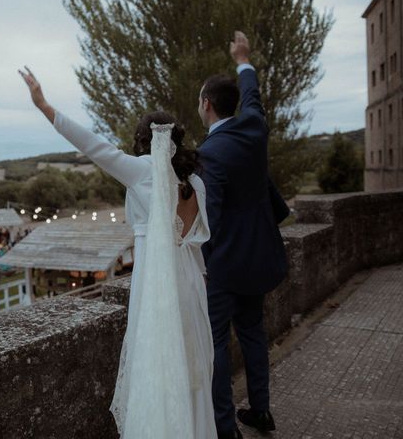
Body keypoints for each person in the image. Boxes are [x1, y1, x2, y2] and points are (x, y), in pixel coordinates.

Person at [20, 67, 216, 438]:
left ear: (144, 143)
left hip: (157, 288)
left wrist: (45, 107)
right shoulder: (196, 182)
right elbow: (194, 241)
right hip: (191, 283)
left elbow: (93, 146)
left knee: (158, 376)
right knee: (192, 378)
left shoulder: (141, 172)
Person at [197, 31, 289, 439]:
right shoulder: (254, 127)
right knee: (253, 335)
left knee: (215, 347)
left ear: (208, 105)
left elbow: (209, 218)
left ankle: (225, 430)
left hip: (226, 268)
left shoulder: (210, 154)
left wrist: (203, 262)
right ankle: (262, 412)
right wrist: (243, 59)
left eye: (200, 102)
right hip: (261, 258)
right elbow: (251, 94)